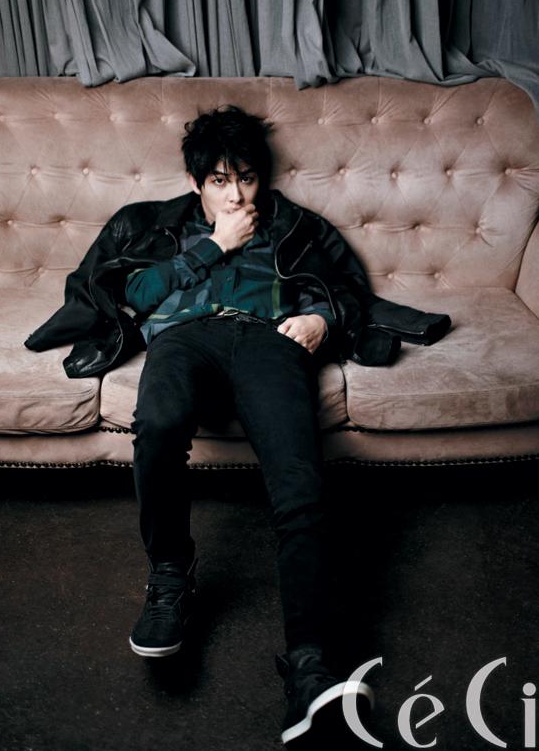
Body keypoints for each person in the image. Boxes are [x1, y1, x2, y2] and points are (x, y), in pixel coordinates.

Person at [24, 105, 450, 746]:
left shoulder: (296, 225)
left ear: (262, 177)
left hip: (268, 342)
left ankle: (310, 666)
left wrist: (322, 321)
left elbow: (345, 291)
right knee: (158, 425)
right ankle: (171, 575)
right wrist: (212, 247)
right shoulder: (153, 223)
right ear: (196, 183)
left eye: (246, 178)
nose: (236, 195)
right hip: (183, 339)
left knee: (300, 483)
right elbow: (126, 296)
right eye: (220, 181)